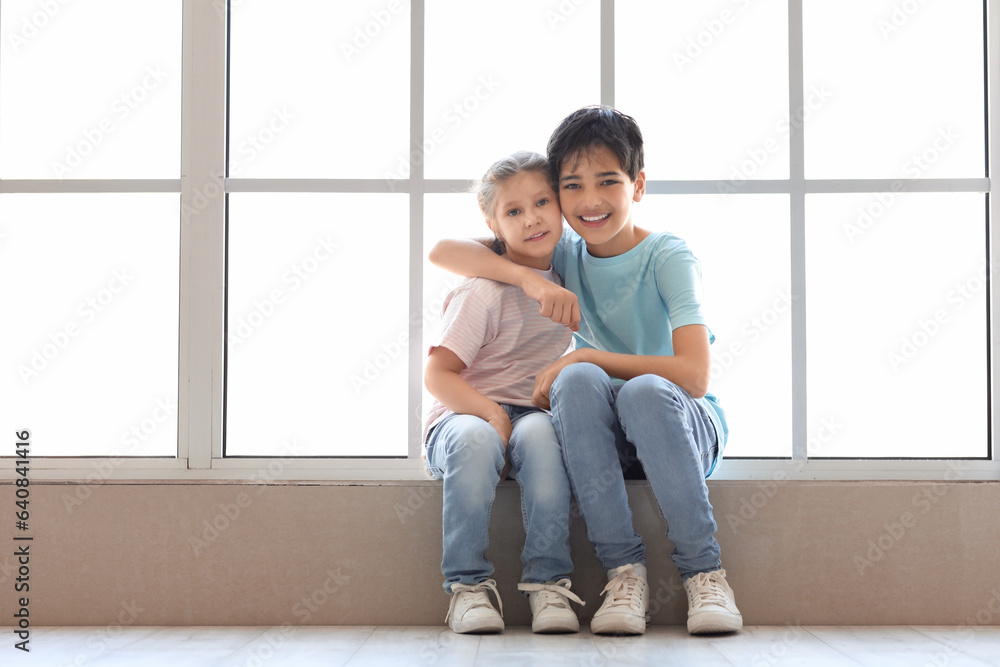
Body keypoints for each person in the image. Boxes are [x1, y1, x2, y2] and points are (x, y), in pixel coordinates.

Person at [428, 106, 741, 636]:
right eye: (572, 185)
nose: (590, 200)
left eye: (608, 182)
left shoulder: (667, 255)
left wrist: (589, 354)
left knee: (635, 389)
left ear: (637, 185)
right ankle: (625, 574)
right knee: (575, 381)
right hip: (607, 435)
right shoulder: (563, 252)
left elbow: (694, 376)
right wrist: (531, 283)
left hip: (681, 421)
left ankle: (704, 573)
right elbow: (442, 251)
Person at [423, 151, 585, 635]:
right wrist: (491, 413)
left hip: (529, 412)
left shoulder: (569, 277)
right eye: (514, 211)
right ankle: (468, 587)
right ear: (492, 224)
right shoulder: (483, 291)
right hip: (463, 412)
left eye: (542, 202)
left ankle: (548, 583)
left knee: (543, 439)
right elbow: (438, 375)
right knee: (475, 440)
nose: (532, 217)